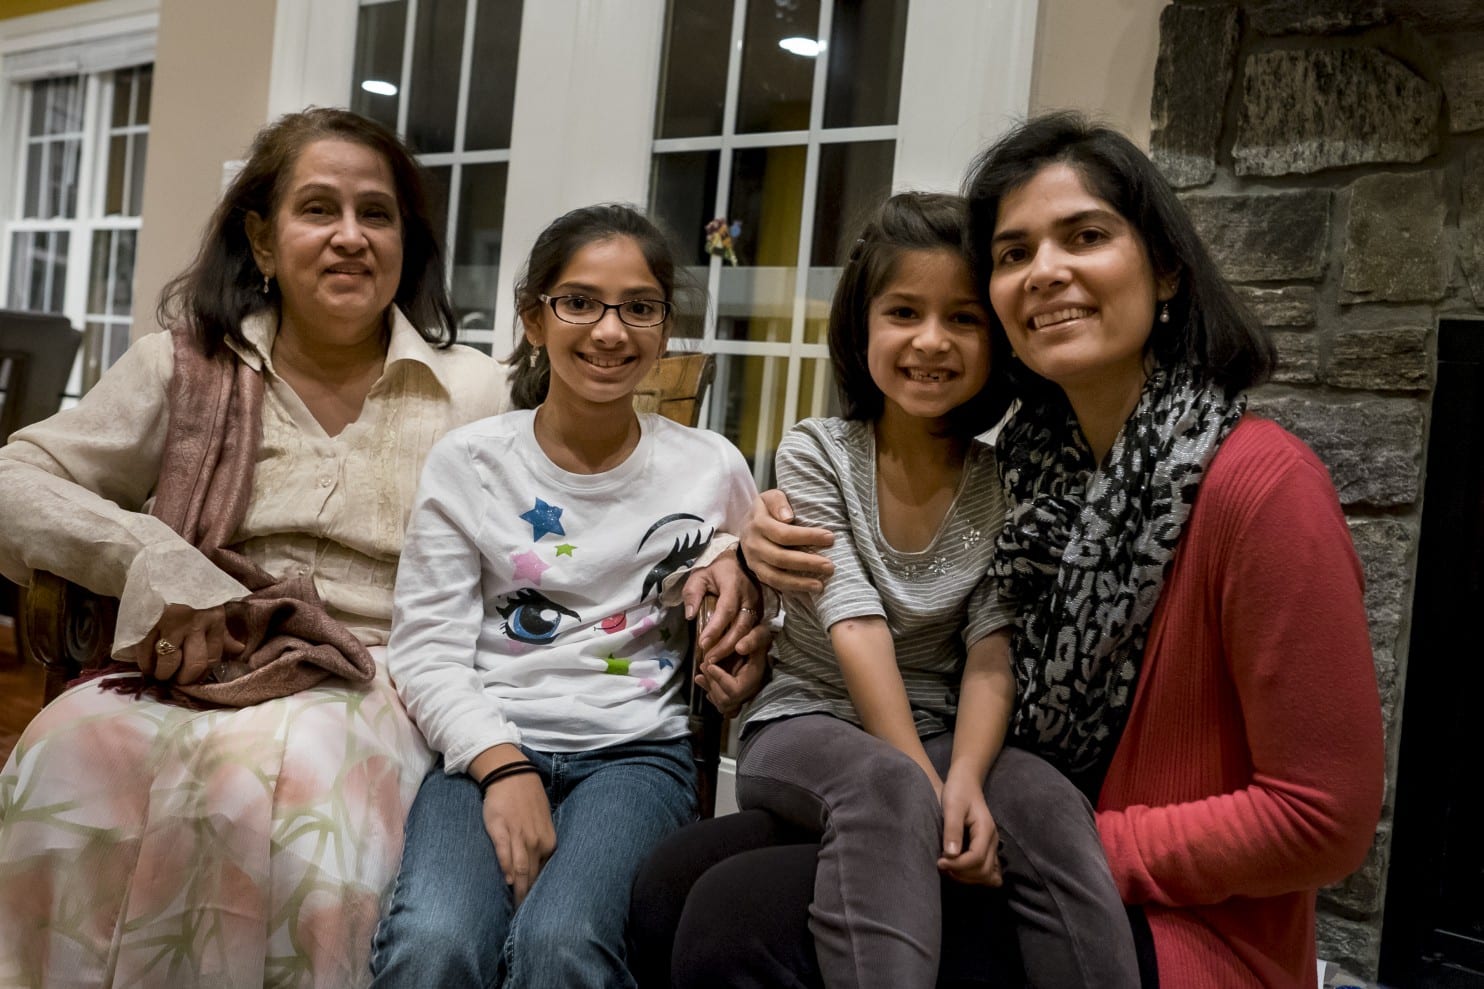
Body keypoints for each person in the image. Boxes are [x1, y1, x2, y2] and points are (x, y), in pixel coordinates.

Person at [675, 112, 1388, 987]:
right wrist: (737, 554)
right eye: (1014, 253)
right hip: (1002, 813)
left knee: (732, 918)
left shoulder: (1262, 487)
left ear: (1165, 267)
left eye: (1085, 236)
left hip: (1169, 920)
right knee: (670, 883)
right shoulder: (1039, 467)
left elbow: (1323, 820)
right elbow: (880, 567)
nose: (1047, 271)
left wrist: (1060, 841)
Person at [0, 108, 509, 987]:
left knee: (288, 792)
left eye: (376, 214)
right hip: (201, 656)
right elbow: (18, 477)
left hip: (378, 673)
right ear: (263, 241)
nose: (351, 237)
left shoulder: (474, 391)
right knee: (67, 748)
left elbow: (579, 523)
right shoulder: (184, 366)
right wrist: (150, 559)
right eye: (319, 209)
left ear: (406, 242)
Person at [632, 192, 1142, 989]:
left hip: (947, 725)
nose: (931, 341)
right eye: (904, 311)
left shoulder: (1001, 479)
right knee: (888, 785)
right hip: (808, 718)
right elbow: (855, 624)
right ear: (861, 326)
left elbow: (991, 645)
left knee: (1045, 801)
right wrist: (931, 788)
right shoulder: (817, 453)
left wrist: (967, 777)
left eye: (964, 319)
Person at [367, 204, 762, 989]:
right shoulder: (471, 463)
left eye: (639, 308)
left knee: (564, 944)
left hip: (638, 756)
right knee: (434, 943)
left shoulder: (711, 467)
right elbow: (425, 648)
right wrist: (502, 765)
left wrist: (742, 609)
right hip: (482, 745)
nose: (610, 331)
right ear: (533, 319)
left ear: (663, 326)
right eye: (579, 301)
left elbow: (761, 605)